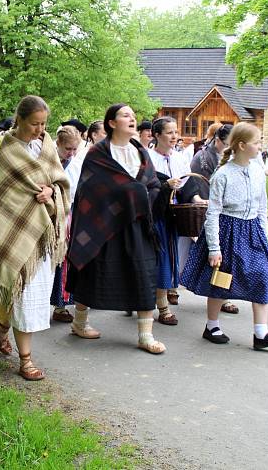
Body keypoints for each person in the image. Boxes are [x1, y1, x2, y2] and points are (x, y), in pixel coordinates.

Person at [0, 95, 70, 381]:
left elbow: (61, 181)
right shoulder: (6, 149)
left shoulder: (48, 145)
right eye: (34, 124)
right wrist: (34, 194)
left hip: (41, 237)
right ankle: (25, 360)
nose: (39, 129)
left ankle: (3, 327)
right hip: (10, 233)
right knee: (18, 292)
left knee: (31, 296)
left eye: (44, 124)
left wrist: (51, 193)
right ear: (19, 119)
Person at [66, 103, 166, 354]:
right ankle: (79, 323)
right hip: (103, 223)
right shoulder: (97, 153)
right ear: (111, 123)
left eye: (133, 115)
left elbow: (152, 184)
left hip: (137, 221)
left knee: (144, 273)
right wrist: (127, 192)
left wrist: (141, 195)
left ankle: (145, 335)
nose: (132, 119)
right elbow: (89, 190)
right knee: (93, 270)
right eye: (125, 115)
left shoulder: (141, 152)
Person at [181, 123, 268, 350]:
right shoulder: (223, 174)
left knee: (263, 274)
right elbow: (213, 213)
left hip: (252, 231)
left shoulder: (258, 171)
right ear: (241, 145)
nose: (260, 146)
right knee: (222, 279)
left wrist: (263, 236)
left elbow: (261, 207)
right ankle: (212, 326)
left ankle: (261, 333)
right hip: (228, 231)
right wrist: (214, 247)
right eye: (257, 142)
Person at [189, 123, 238, 315]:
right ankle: (218, 297)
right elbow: (200, 186)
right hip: (210, 210)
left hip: (230, 213)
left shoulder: (234, 158)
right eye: (227, 143)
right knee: (214, 258)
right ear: (218, 140)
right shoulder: (202, 158)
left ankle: (223, 296)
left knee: (226, 260)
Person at [148, 117, 192, 316]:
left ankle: (160, 299)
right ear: (157, 135)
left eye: (175, 132)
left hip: (172, 215)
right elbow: (143, 188)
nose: (174, 136)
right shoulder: (148, 158)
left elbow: (189, 185)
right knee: (159, 257)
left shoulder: (180, 158)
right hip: (154, 215)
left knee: (169, 256)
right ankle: (162, 306)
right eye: (169, 132)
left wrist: (196, 198)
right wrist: (165, 185)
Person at [51, 125, 83, 323]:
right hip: (49, 214)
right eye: (67, 149)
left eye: (74, 149)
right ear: (58, 144)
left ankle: (61, 305)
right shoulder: (48, 160)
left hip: (69, 216)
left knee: (65, 262)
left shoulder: (77, 164)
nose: (70, 153)